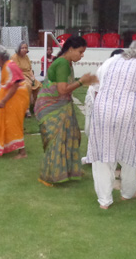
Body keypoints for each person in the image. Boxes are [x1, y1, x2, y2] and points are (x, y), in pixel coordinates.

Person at [85, 45, 136, 208]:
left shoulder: (111, 61)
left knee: (102, 158)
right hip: (128, 114)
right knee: (131, 156)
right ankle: (127, 193)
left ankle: (104, 201)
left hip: (102, 111)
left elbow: (95, 88)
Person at [35, 36, 97, 186]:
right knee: (58, 140)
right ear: (70, 49)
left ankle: (69, 170)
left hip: (62, 105)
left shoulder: (66, 62)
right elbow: (62, 90)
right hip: (51, 107)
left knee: (71, 135)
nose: (82, 55)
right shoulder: (62, 63)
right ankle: (50, 176)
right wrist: (82, 81)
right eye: (80, 52)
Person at [0, 45, 30, 158]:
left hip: (15, 99)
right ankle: (1, 144)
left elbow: (15, 85)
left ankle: (22, 152)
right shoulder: (6, 66)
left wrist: (3, 100)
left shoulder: (10, 65)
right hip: (11, 98)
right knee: (6, 122)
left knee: (13, 124)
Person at [11, 41, 41, 114]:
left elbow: (30, 69)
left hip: (28, 75)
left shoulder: (26, 57)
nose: (24, 49)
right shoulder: (15, 57)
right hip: (19, 76)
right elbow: (15, 70)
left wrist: (33, 77)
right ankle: (26, 109)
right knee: (27, 85)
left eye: (26, 48)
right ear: (19, 49)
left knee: (39, 86)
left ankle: (36, 106)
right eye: (22, 48)